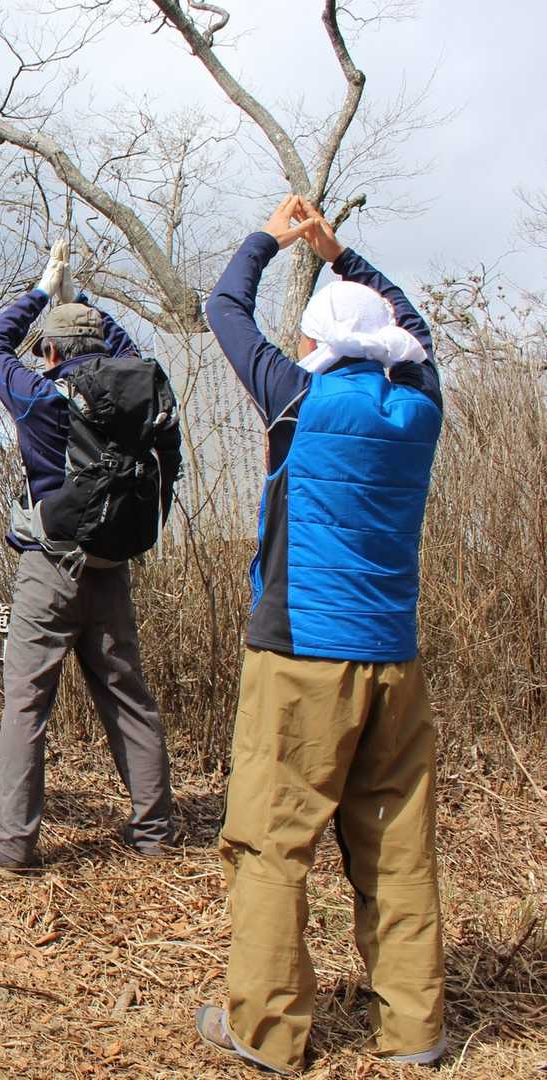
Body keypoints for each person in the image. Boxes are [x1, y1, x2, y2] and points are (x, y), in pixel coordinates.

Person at [193, 196, 446, 1074]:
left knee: (272, 842)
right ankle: (414, 1030)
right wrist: (343, 256)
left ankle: (266, 1032)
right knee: (398, 847)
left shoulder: (296, 399)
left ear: (317, 342)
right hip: (395, 662)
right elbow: (414, 330)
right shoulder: (419, 407)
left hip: (300, 657)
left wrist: (269, 237)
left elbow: (224, 308)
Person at [0, 240, 181, 872]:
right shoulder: (141, 396)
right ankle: (155, 831)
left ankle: (12, 840)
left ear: (50, 352)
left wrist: (40, 293)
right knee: (127, 695)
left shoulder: (43, 398)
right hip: (113, 567)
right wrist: (83, 303)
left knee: (28, 700)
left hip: (50, 569)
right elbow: (126, 352)